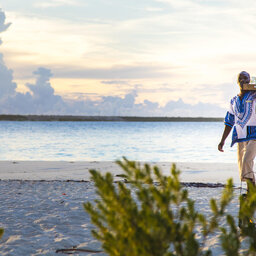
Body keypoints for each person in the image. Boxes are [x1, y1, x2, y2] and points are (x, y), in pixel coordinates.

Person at [218, 71, 256, 189]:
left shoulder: (254, 97)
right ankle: (252, 190)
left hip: (254, 135)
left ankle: (252, 189)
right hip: (240, 136)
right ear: (237, 81)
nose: (243, 81)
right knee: (242, 165)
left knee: (246, 161)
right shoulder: (233, 100)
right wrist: (222, 140)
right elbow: (229, 121)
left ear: (249, 81)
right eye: (240, 78)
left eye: (246, 79)